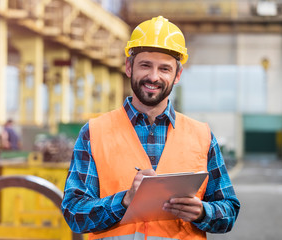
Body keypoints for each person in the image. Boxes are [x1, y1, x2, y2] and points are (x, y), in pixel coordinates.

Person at [61, 16, 240, 240]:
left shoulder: (201, 136)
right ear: (129, 67)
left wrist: (204, 212)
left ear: (177, 75)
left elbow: (229, 211)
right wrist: (125, 200)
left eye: (164, 68)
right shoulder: (94, 132)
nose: (153, 77)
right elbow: (74, 213)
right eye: (145, 65)